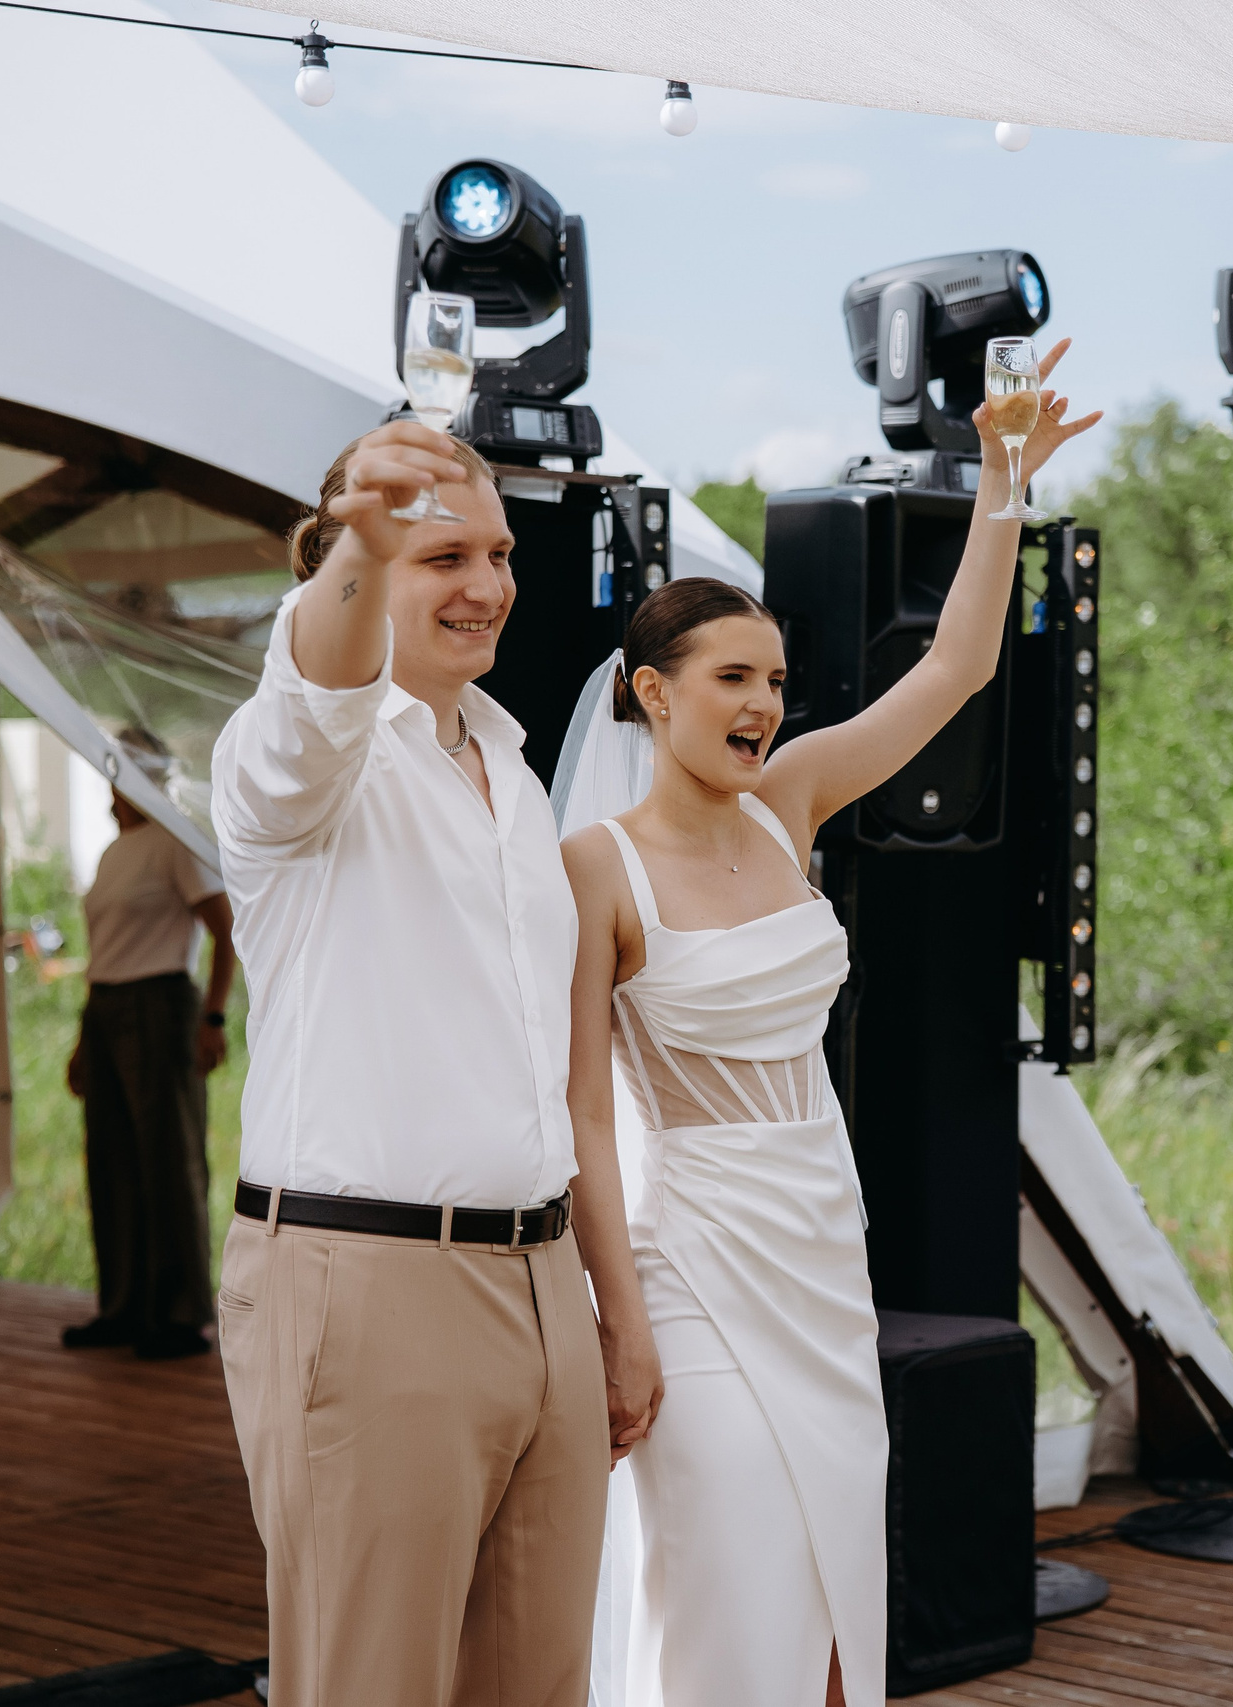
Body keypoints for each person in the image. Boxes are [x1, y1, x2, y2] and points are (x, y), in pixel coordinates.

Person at [560, 343, 1098, 1707]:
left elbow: (962, 666)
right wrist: (620, 1323)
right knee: (724, 1576)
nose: (762, 704)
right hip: (690, 1261)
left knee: (836, 1589)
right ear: (650, 690)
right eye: (731, 675)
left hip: (815, 1239)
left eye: (777, 678)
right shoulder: (594, 869)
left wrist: (1001, 485)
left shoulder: (788, 801)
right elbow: (580, 1113)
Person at [209, 423, 656, 1707]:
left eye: (501, 552)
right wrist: (365, 527)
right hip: (367, 1281)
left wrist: (607, 1323)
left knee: (538, 1689)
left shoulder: (515, 776)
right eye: (440, 552)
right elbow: (320, 691)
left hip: (541, 1285)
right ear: (346, 561)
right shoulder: (288, 761)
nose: (488, 584)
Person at [62, 733, 237, 1361]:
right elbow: (102, 954)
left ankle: (181, 1316)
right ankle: (123, 1308)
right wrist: (86, 1037)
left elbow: (226, 932)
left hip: (161, 1003)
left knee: (168, 1160)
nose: (110, 788)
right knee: (111, 1160)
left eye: (119, 773)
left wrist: (211, 1018)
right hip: (107, 1007)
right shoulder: (114, 854)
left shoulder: (174, 842)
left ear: (145, 776)